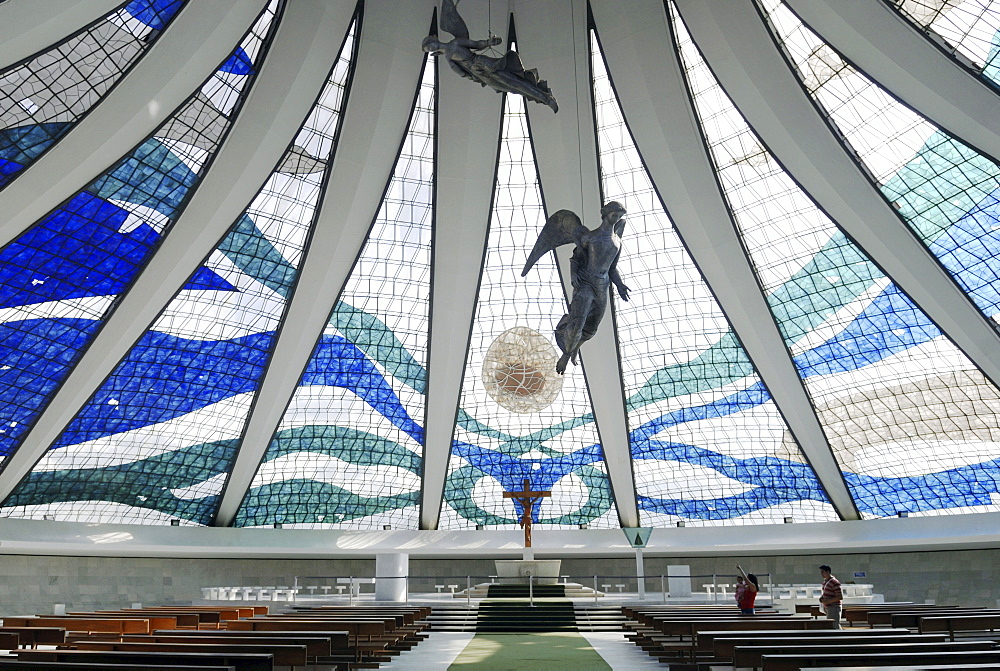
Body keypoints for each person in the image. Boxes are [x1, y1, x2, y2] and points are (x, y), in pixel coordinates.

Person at [522, 201, 630, 373]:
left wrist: (620, 284)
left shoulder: (617, 241)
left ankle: (574, 346)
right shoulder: (590, 237)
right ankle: (566, 354)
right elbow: (576, 258)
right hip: (586, 284)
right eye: (613, 215)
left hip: (602, 286)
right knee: (577, 322)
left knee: (592, 327)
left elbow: (611, 268)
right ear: (604, 213)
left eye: (619, 217)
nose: (616, 219)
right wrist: (574, 275)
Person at [422, 0, 558, 112]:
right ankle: (544, 97)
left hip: (481, 63)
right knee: (510, 88)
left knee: (513, 82)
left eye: (429, 46)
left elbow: (475, 44)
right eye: (428, 50)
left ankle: (546, 98)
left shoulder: (455, 43)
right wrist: (473, 76)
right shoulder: (448, 57)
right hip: (478, 72)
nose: (431, 49)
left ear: (434, 40)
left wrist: (488, 43)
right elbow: (463, 73)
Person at [819, 564, 843, 628]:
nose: (822, 574)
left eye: (823, 572)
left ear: (828, 572)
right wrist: (822, 598)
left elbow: (840, 597)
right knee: (830, 625)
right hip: (828, 607)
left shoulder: (834, 582)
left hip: (834, 607)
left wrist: (828, 601)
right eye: (821, 572)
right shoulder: (825, 582)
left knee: (834, 625)